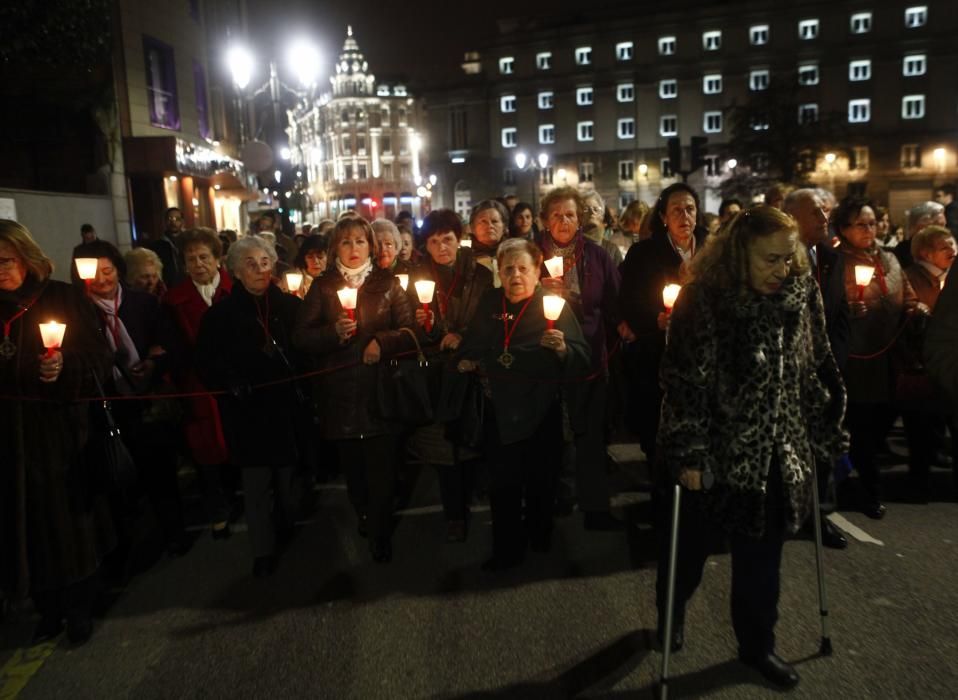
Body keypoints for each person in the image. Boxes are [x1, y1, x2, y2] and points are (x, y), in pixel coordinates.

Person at [656, 206, 847, 689]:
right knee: (691, 552)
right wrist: (689, 453)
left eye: (788, 259)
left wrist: (827, 425)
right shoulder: (703, 299)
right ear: (740, 254)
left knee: (762, 563)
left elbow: (818, 363)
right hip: (719, 456)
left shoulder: (802, 296)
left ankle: (757, 646)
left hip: (781, 453)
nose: (781, 270)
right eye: (770, 260)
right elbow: (684, 383)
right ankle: (671, 610)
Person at [0, 219, 114, 645]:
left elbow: (100, 359)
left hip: (58, 432)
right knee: (23, 521)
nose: (0, 270)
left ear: (26, 257)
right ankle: (44, 605)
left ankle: (79, 605)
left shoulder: (61, 298)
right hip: (9, 438)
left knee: (65, 521)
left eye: (6, 260)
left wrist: (64, 367)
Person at [456, 238, 590, 570]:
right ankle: (506, 549)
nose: (515, 275)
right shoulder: (490, 301)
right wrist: (467, 360)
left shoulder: (554, 305)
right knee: (503, 486)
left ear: (536, 269)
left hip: (541, 409)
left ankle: (540, 534)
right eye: (508, 269)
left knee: (541, 480)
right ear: (500, 272)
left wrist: (561, 350)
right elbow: (472, 344)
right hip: (499, 411)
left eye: (522, 268)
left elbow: (582, 357)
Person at [293, 217, 416, 563]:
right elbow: (301, 336)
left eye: (360, 242)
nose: (353, 249)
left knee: (383, 472)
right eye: (345, 242)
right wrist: (332, 333)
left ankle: (379, 532)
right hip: (342, 394)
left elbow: (409, 330)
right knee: (356, 474)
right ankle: (364, 512)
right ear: (335, 248)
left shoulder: (388, 284)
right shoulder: (323, 286)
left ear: (371, 246)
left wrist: (381, 341)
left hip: (380, 391)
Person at [195, 237, 305, 577]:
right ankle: (263, 550)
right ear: (237, 272)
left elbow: (305, 350)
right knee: (256, 485)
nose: (260, 270)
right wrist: (227, 383)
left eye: (265, 262)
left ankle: (285, 524)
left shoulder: (288, 306)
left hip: (286, 410)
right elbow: (206, 363)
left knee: (288, 483)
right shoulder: (220, 315)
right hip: (247, 413)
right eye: (251, 264)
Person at [82, 240, 189, 560]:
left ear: (118, 271)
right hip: (108, 406)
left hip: (148, 401)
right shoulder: (80, 311)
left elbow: (172, 343)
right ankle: (129, 547)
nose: (102, 280)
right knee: (119, 481)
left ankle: (174, 533)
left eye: (108, 271)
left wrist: (155, 363)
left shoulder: (142, 303)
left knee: (160, 474)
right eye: (94, 273)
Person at [538, 187, 625, 530]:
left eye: (570, 214)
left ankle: (595, 507)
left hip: (588, 355)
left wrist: (627, 324)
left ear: (580, 219)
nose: (564, 221)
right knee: (550, 436)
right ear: (545, 221)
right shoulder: (532, 254)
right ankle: (553, 500)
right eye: (556, 214)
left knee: (590, 435)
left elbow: (615, 301)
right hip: (545, 358)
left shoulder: (598, 255)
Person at [834, 197, 922, 518]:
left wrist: (914, 307)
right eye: (860, 224)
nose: (869, 230)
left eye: (872, 223)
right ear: (844, 229)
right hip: (856, 359)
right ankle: (864, 491)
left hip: (888, 357)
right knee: (859, 427)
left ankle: (859, 484)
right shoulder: (837, 263)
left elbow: (907, 293)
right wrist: (848, 309)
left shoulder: (889, 259)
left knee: (880, 422)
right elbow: (828, 307)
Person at [408, 209, 493, 541]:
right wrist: (426, 326)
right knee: (443, 447)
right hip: (437, 373)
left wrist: (463, 339)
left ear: (460, 240)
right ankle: (453, 513)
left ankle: (471, 493)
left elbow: (487, 321)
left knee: (470, 437)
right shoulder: (418, 278)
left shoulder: (480, 276)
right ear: (426, 246)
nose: (442, 246)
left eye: (448, 239)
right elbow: (411, 326)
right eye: (434, 241)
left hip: (470, 366)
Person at [619, 183, 708, 465]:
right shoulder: (643, 253)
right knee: (658, 428)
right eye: (677, 210)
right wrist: (653, 319)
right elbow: (630, 298)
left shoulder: (714, 248)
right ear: (663, 217)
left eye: (690, 209)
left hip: (703, 353)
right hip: (657, 353)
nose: (685, 216)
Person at [783, 188, 850, 548]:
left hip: (824, 365)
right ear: (792, 217)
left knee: (823, 441)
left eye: (826, 213)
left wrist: (834, 360)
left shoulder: (832, 259)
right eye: (816, 214)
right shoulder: (777, 256)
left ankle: (818, 512)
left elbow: (840, 316)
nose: (825, 220)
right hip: (788, 369)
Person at [162, 228, 234, 539]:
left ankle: (240, 497)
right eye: (191, 259)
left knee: (236, 440)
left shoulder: (235, 291)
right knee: (205, 448)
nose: (198, 263)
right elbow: (172, 344)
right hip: (197, 385)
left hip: (233, 382)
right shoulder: (174, 300)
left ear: (218, 260)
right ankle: (218, 509)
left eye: (204, 257)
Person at [906, 225, 956, 309]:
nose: (952, 250)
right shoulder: (909, 281)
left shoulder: (953, 274)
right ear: (926, 255)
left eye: (952, 244)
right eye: (944, 248)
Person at [469, 199, 510, 286]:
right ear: (473, 227)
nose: (490, 226)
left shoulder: (513, 253)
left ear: (504, 227)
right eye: (483, 222)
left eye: (494, 221)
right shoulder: (465, 258)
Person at [895, 201, 947, 269]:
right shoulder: (903, 251)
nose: (944, 231)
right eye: (939, 225)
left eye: (944, 226)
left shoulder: (948, 250)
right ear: (920, 224)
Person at [581, 192, 624, 265]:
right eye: (586, 209)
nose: (592, 212)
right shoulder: (574, 246)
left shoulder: (612, 250)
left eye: (596, 209)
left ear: (602, 215)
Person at [145, 207, 184, 288]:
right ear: (165, 222)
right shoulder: (156, 246)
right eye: (170, 219)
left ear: (182, 222)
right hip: (168, 288)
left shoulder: (189, 241)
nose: (173, 222)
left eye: (177, 219)